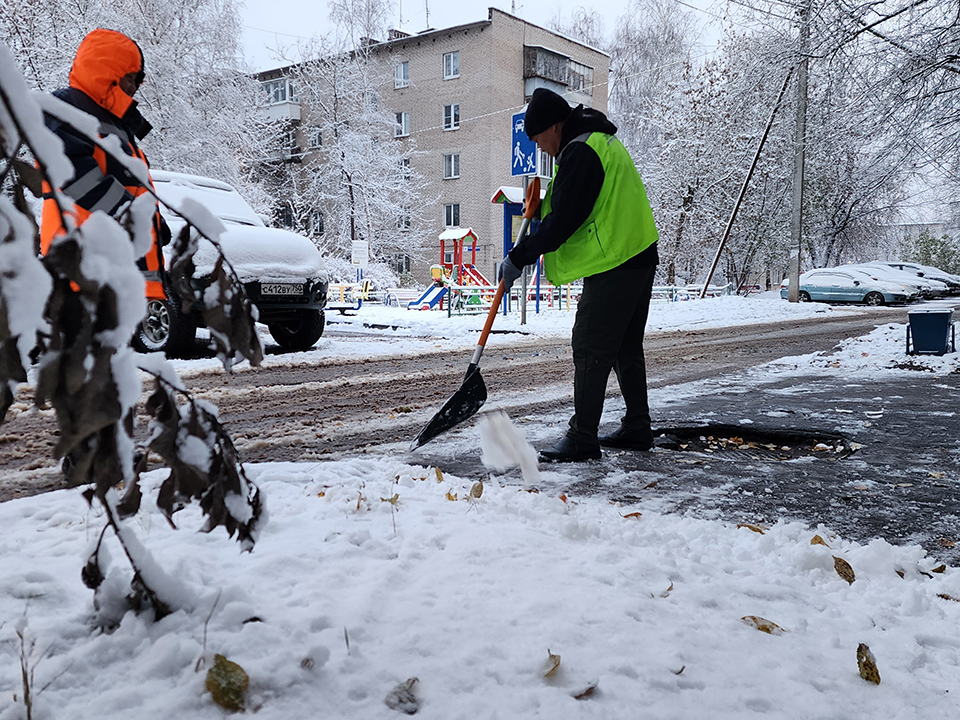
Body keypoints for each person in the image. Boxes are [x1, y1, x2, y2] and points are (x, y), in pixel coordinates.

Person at [498, 88, 659, 462]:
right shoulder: (595, 142)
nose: (541, 149)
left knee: (589, 344)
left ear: (554, 126)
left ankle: (583, 436)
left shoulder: (581, 150)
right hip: (637, 253)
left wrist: (519, 257)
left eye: (539, 139)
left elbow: (566, 222)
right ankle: (638, 427)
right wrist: (538, 213)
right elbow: (577, 206)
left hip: (618, 260)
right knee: (624, 346)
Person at [40, 28, 168, 300]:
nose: (134, 88)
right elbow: (71, 173)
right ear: (106, 71)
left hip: (120, 281)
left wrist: (155, 223)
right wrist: (134, 216)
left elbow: (131, 185)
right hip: (84, 273)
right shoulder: (66, 106)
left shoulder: (118, 125)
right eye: (130, 78)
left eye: (138, 80)